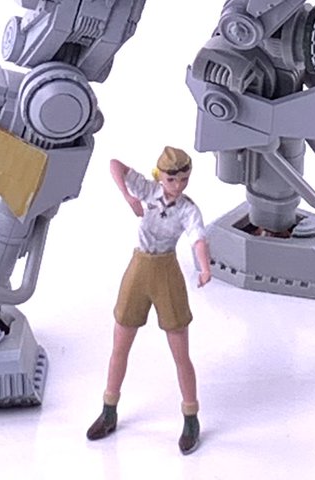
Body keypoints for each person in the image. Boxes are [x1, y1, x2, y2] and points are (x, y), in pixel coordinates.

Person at [86, 147, 211, 454]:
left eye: (184, 179)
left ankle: (191, 417)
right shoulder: (148, 190)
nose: (178, 185)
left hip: (167, 272)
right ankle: (109, 409)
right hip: (139, 269)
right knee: (120, 345)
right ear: (161, 176)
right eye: (172, 179)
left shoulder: (187, 209)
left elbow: (198, 238)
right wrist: (128, 197)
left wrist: (205, 266)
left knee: (180, 353)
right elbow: (115, 164)